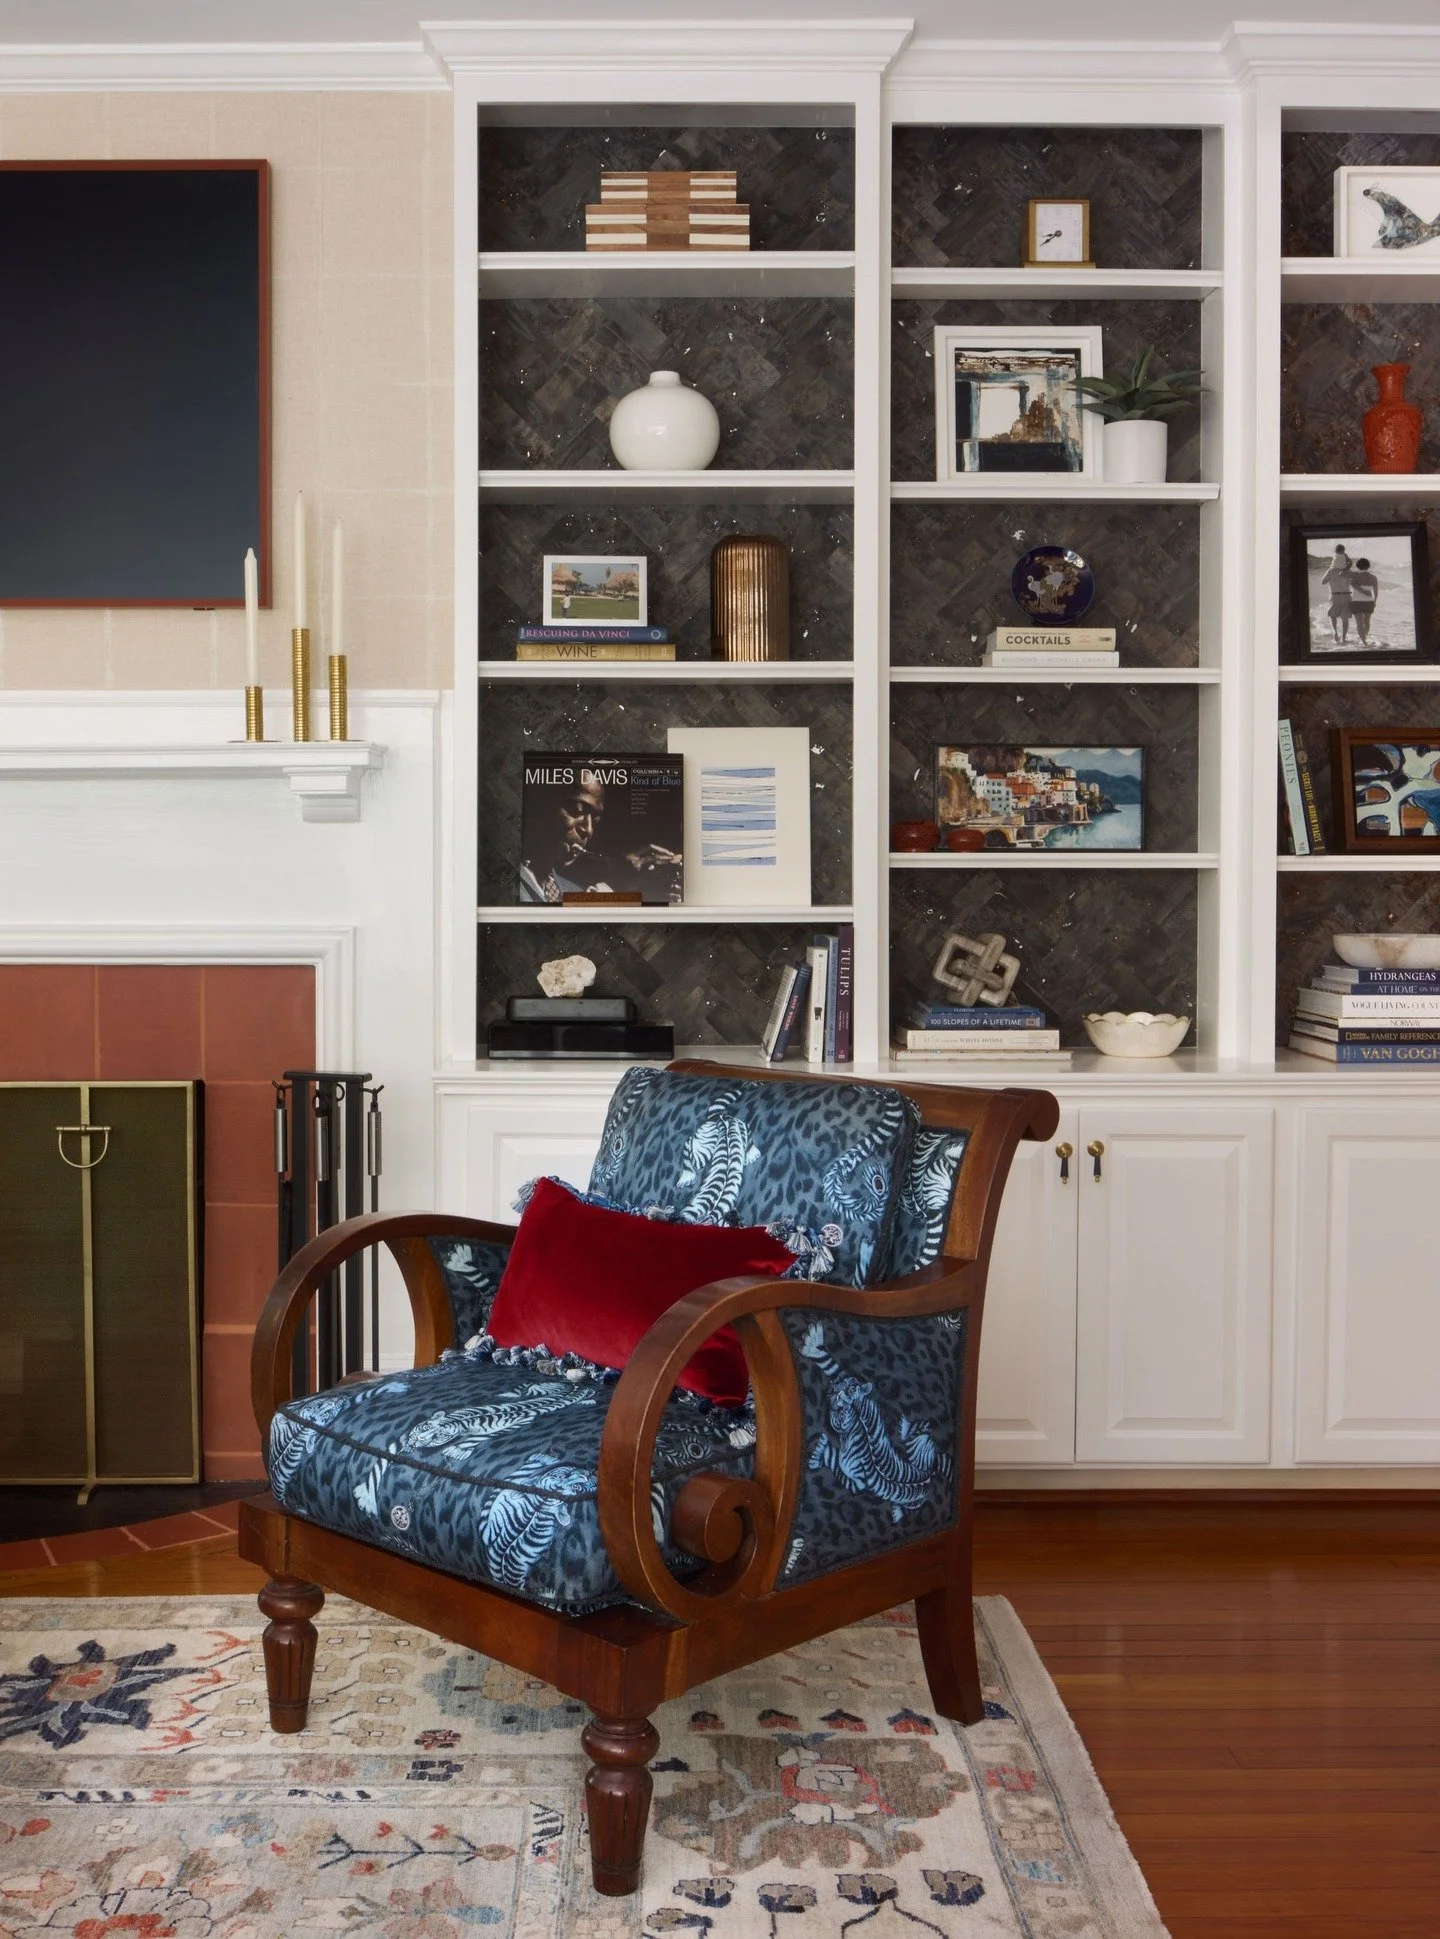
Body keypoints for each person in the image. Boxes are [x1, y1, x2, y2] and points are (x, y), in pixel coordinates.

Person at [1321, 545, 1353, 645]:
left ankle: (1335, 633)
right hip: (1346, 596)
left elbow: (1323, 582)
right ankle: (1343, 638)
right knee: (1345, 619)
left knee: (1332, 616)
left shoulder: (1330, 571)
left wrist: (1330, 570)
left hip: (1334, 596)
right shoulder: (1347, 572)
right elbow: (1353, 583)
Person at [1348, 556, 1379, 647]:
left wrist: (1362, 591)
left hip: (1356, 602)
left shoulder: (1356, 576)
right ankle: (1364, 637)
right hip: (1369, 602)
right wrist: (1375, 601)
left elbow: (1353, 584)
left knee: (1359, 623)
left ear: (1358, 566)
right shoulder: (1373, 577)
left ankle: (1364, 641)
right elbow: (1376, 592)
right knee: (1367, 622)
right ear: (1368, 566)